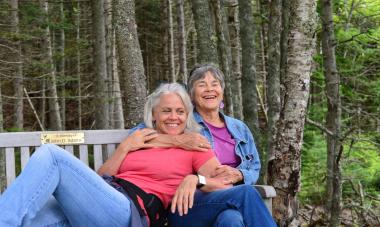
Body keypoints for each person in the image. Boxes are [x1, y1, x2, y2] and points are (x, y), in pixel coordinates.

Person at [0, 83, 226, 227]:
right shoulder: (139, 138)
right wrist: (125, 147)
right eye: (166, 111)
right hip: (107, 200)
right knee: (32, 219)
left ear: (187, 116)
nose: (173, 117)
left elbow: (223, 183)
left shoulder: (195, 145)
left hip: (130, 212)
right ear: (154, 115)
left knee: (52, 155)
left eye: (180, 112)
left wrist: (196, 179)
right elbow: (103, 176)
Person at [133, 64, 275, 227]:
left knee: (231, 219)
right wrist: (178, 140)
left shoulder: (239, 128)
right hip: (193, 198)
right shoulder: (182, 121)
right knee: (246, 194)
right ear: (191, 95)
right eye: (202, 85)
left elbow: (254, 167)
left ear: (222, 91)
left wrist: (240, 174)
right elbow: (136, 135)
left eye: (215, 84)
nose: (209, 89)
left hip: (230, 197)